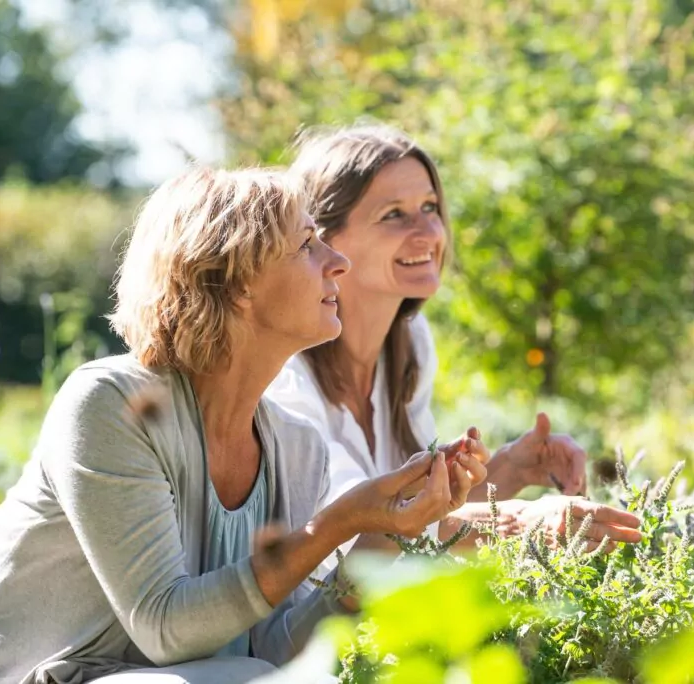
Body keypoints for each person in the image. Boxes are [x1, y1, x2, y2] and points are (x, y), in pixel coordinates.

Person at [0, 167, 478, 684]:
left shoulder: (298, 448)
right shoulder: (111, 405)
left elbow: (279, 654)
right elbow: (164, 627)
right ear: (233, 281)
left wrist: (383, 530)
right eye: (307, 244)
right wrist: (335, 523)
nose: (338, 262)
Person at [266, 124, 642, 563]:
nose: (429, 231)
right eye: (393, 214)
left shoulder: (411, 344)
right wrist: (519, 523)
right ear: (322, 236)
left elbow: (417, 520)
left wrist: (510, 469)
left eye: (430, 207)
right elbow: (354, 526)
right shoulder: (284, 372)